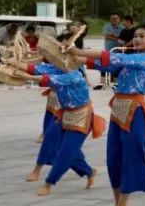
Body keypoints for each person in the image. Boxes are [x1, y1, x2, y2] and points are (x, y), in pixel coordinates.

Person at [64, 24, 145, 206]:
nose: (137, 39)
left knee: (131, 157)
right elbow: (101, 63)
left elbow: (110, 57)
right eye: (135, 36)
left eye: (142, 36)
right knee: (113, 159)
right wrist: (71, 57)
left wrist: (77, 50)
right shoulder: (128, 60)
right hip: (118, 112)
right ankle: (118, 204)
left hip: (135, 113)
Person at [16, 59, 105, 196]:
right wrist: (12, 63)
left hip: (81, 116)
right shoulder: (56, 69)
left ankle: (48, 183)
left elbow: (46, 78)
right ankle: (88, 170)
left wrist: (26, 77)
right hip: (64, 113)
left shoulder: (75, 75)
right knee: (55, 141)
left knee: (66, 152)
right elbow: (34, 68)